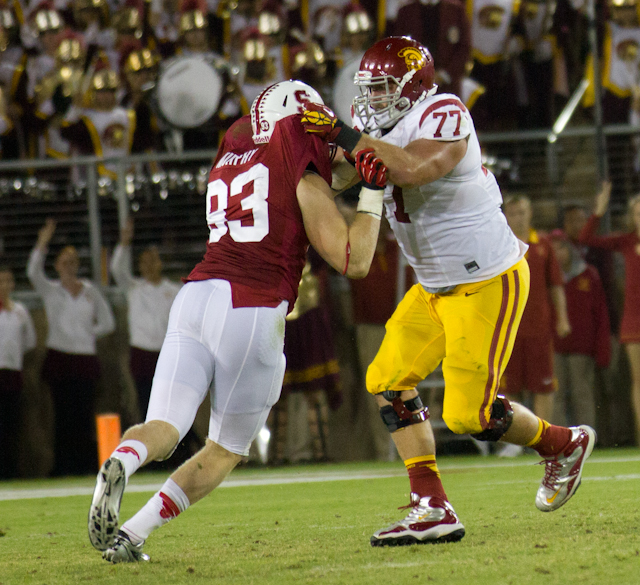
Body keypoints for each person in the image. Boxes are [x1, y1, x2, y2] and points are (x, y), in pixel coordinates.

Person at [301, 35, 596, 546]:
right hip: (434, 285)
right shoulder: (372, 124)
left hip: (487, 279)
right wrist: (296, 155)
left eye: (383, 87)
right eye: (367, 88)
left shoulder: (444, 111)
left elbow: (416, 167)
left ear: (413, 85)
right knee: (387, 379)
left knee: (468, 415)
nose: (371, 99)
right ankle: (431, 506)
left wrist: (340, 131)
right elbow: (341, 173)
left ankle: (562, 443)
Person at [88, 79, 386, 562]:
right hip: (251, 307)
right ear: (301, 120)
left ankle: (123, 460)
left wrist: (350, 154)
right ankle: (133, 532)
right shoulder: (299, 162)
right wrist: (373, 190)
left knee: (163, 428)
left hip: (196, 296)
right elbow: (353, 258)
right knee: (224, 449)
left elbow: (314, 177)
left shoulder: (236, 151)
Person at [27, 219, 116, 476]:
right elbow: (33, 272)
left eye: (73, 261)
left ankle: (86, 465)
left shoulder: (89, 291)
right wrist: (43, 243)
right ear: (57, 265)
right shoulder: (51, 290)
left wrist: (89, 335)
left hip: (85, 358)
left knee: (84, 414)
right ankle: (62, 466)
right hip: (60, 358)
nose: (69, 266)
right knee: (61, 415)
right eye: (64, 262)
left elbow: (107, 322)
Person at [501, 195, 571, 435]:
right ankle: (516, 439)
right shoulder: (499, 244)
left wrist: (562, 318)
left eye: (522, 212)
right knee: (510, 388)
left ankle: (542, 437)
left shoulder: (542, 244)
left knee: (543, 386)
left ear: (530, 213)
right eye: (514, 213)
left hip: (539, 328)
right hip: (507, 328)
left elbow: (556, 285)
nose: (519, 218)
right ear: (505, 215)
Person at [578, 181, 640, 445]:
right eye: (638, 213)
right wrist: (598, 211)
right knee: (638, 380)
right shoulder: (626, 241)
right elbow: (586, 239)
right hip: (634, 318)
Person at [110, 217, 182, 418]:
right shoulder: (134, 288)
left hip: (166, 353)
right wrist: (124, 243)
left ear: (160, 263)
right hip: (141, 354)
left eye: (152, 260)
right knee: (146, 404)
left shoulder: (174, 290)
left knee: (171, 406)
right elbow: (117, 269)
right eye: (143, 262)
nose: (148, 265)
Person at [549, 230, 611, 429]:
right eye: (554, 249)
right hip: (554, 345)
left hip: (582, 347)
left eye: (561, 248)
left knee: (582, 394)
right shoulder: (545, 277)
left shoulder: (588, 274)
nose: (558, 253)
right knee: (555, 395)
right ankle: (557, 441)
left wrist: (602, 348)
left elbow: (601, 313)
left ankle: (587, 438)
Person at [0, 265, 37, 479]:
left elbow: (29, 341)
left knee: (12, 425)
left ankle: (11, 471)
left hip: (12, 373)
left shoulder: (20, 311)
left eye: (8, 281)